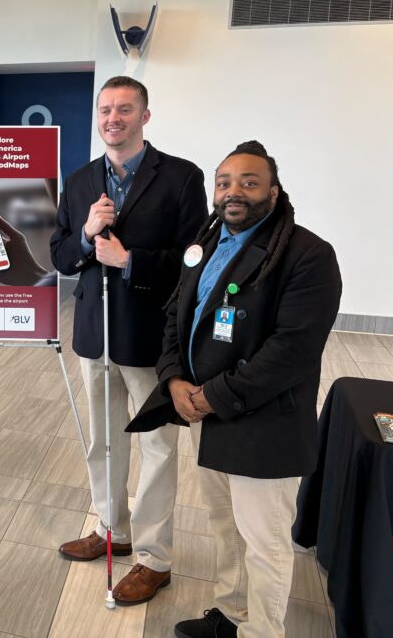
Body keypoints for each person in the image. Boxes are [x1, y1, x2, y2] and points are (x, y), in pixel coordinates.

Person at [128, 141, 342, 638]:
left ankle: (263, 632)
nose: (233, 191)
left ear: (273, 189)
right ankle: (232, 614)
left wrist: (210, 397)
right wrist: (173, 379)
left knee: (263, 542)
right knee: (225, 529)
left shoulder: (307, 255)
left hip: (263, 425)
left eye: (249, 181)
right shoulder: (205, 243)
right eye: (224, 182)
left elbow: (292, 351)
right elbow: (177, 318)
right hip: (209, 417)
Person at [49, 75, 207, 604]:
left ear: (145, 115)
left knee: (158, 448)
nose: (112, 118)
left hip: (151, 340)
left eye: (124, 109)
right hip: (95, 336)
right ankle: (111, 530)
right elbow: (60, 255)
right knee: (104, 441)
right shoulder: (77, 181)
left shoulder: (182, 178)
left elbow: (195, 261)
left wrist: (131, 261)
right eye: (104, 110)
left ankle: (154, 558)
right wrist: (86, 235)